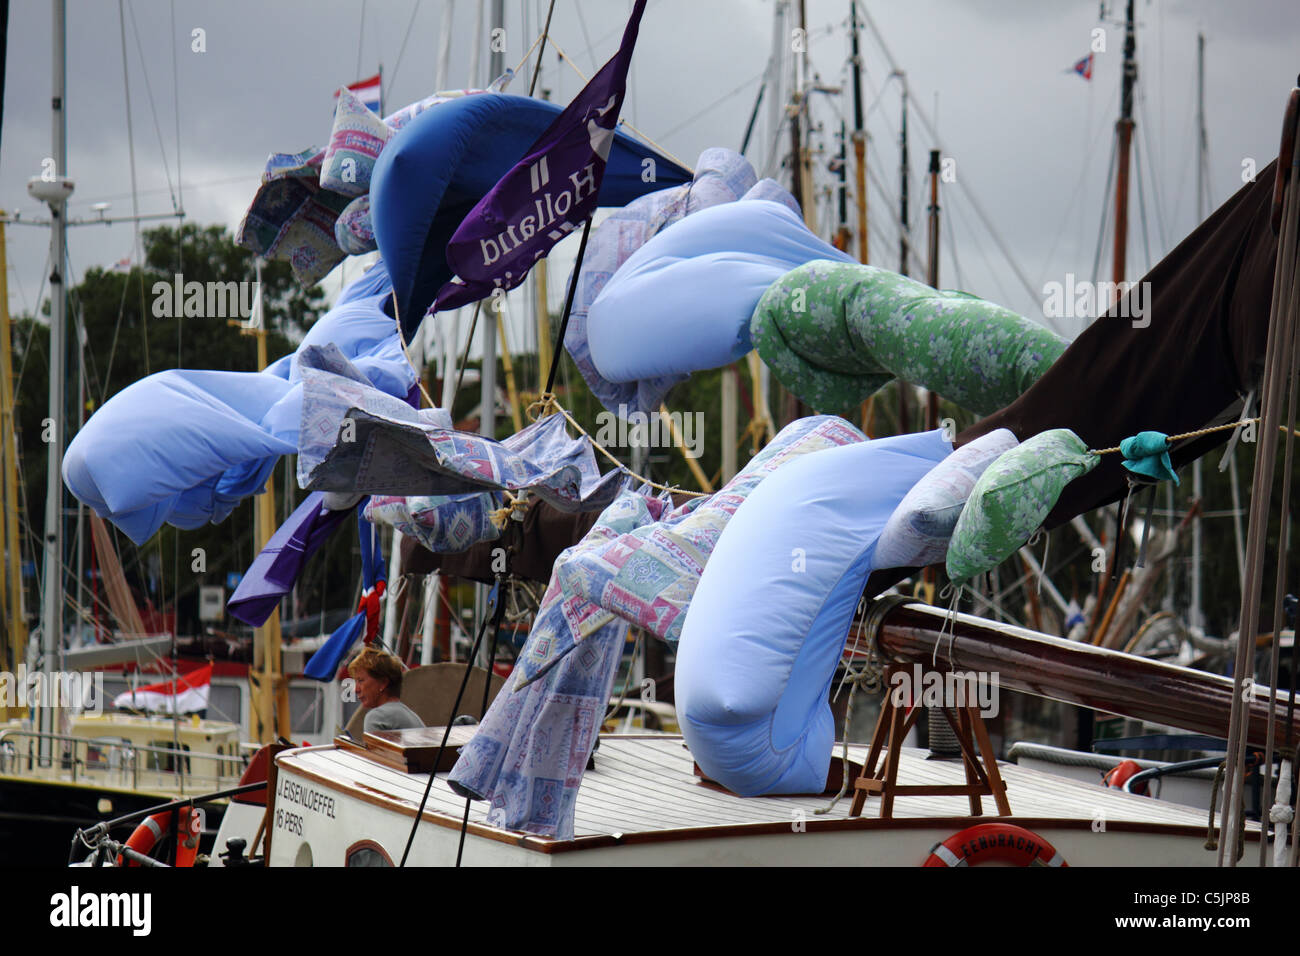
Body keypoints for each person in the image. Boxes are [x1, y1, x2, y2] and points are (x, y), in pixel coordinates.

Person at [348, 647, 424, 734]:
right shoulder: (413, 717)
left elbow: (376, 748)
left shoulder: (376, 717)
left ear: (383, 683)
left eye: (361, 680)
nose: (356, 689)